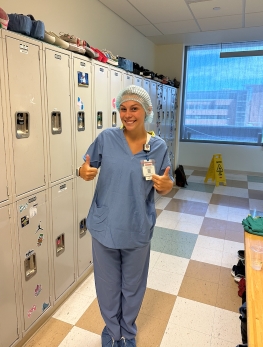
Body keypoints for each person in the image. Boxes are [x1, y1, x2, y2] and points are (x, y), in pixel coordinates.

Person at [78, 85, 173, 347]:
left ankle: (127, 332)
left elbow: (167, 181)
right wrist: (82, 172)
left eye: (134, 108)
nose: (127, 114)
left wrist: (166, 186)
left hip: (137, 227)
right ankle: (111, 331)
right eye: (123, 108)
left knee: (133, 288)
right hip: (104, 226)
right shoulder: (107, 139)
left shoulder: (158, 147)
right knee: (108, 288)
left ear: (147, 111)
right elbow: (86, 165)